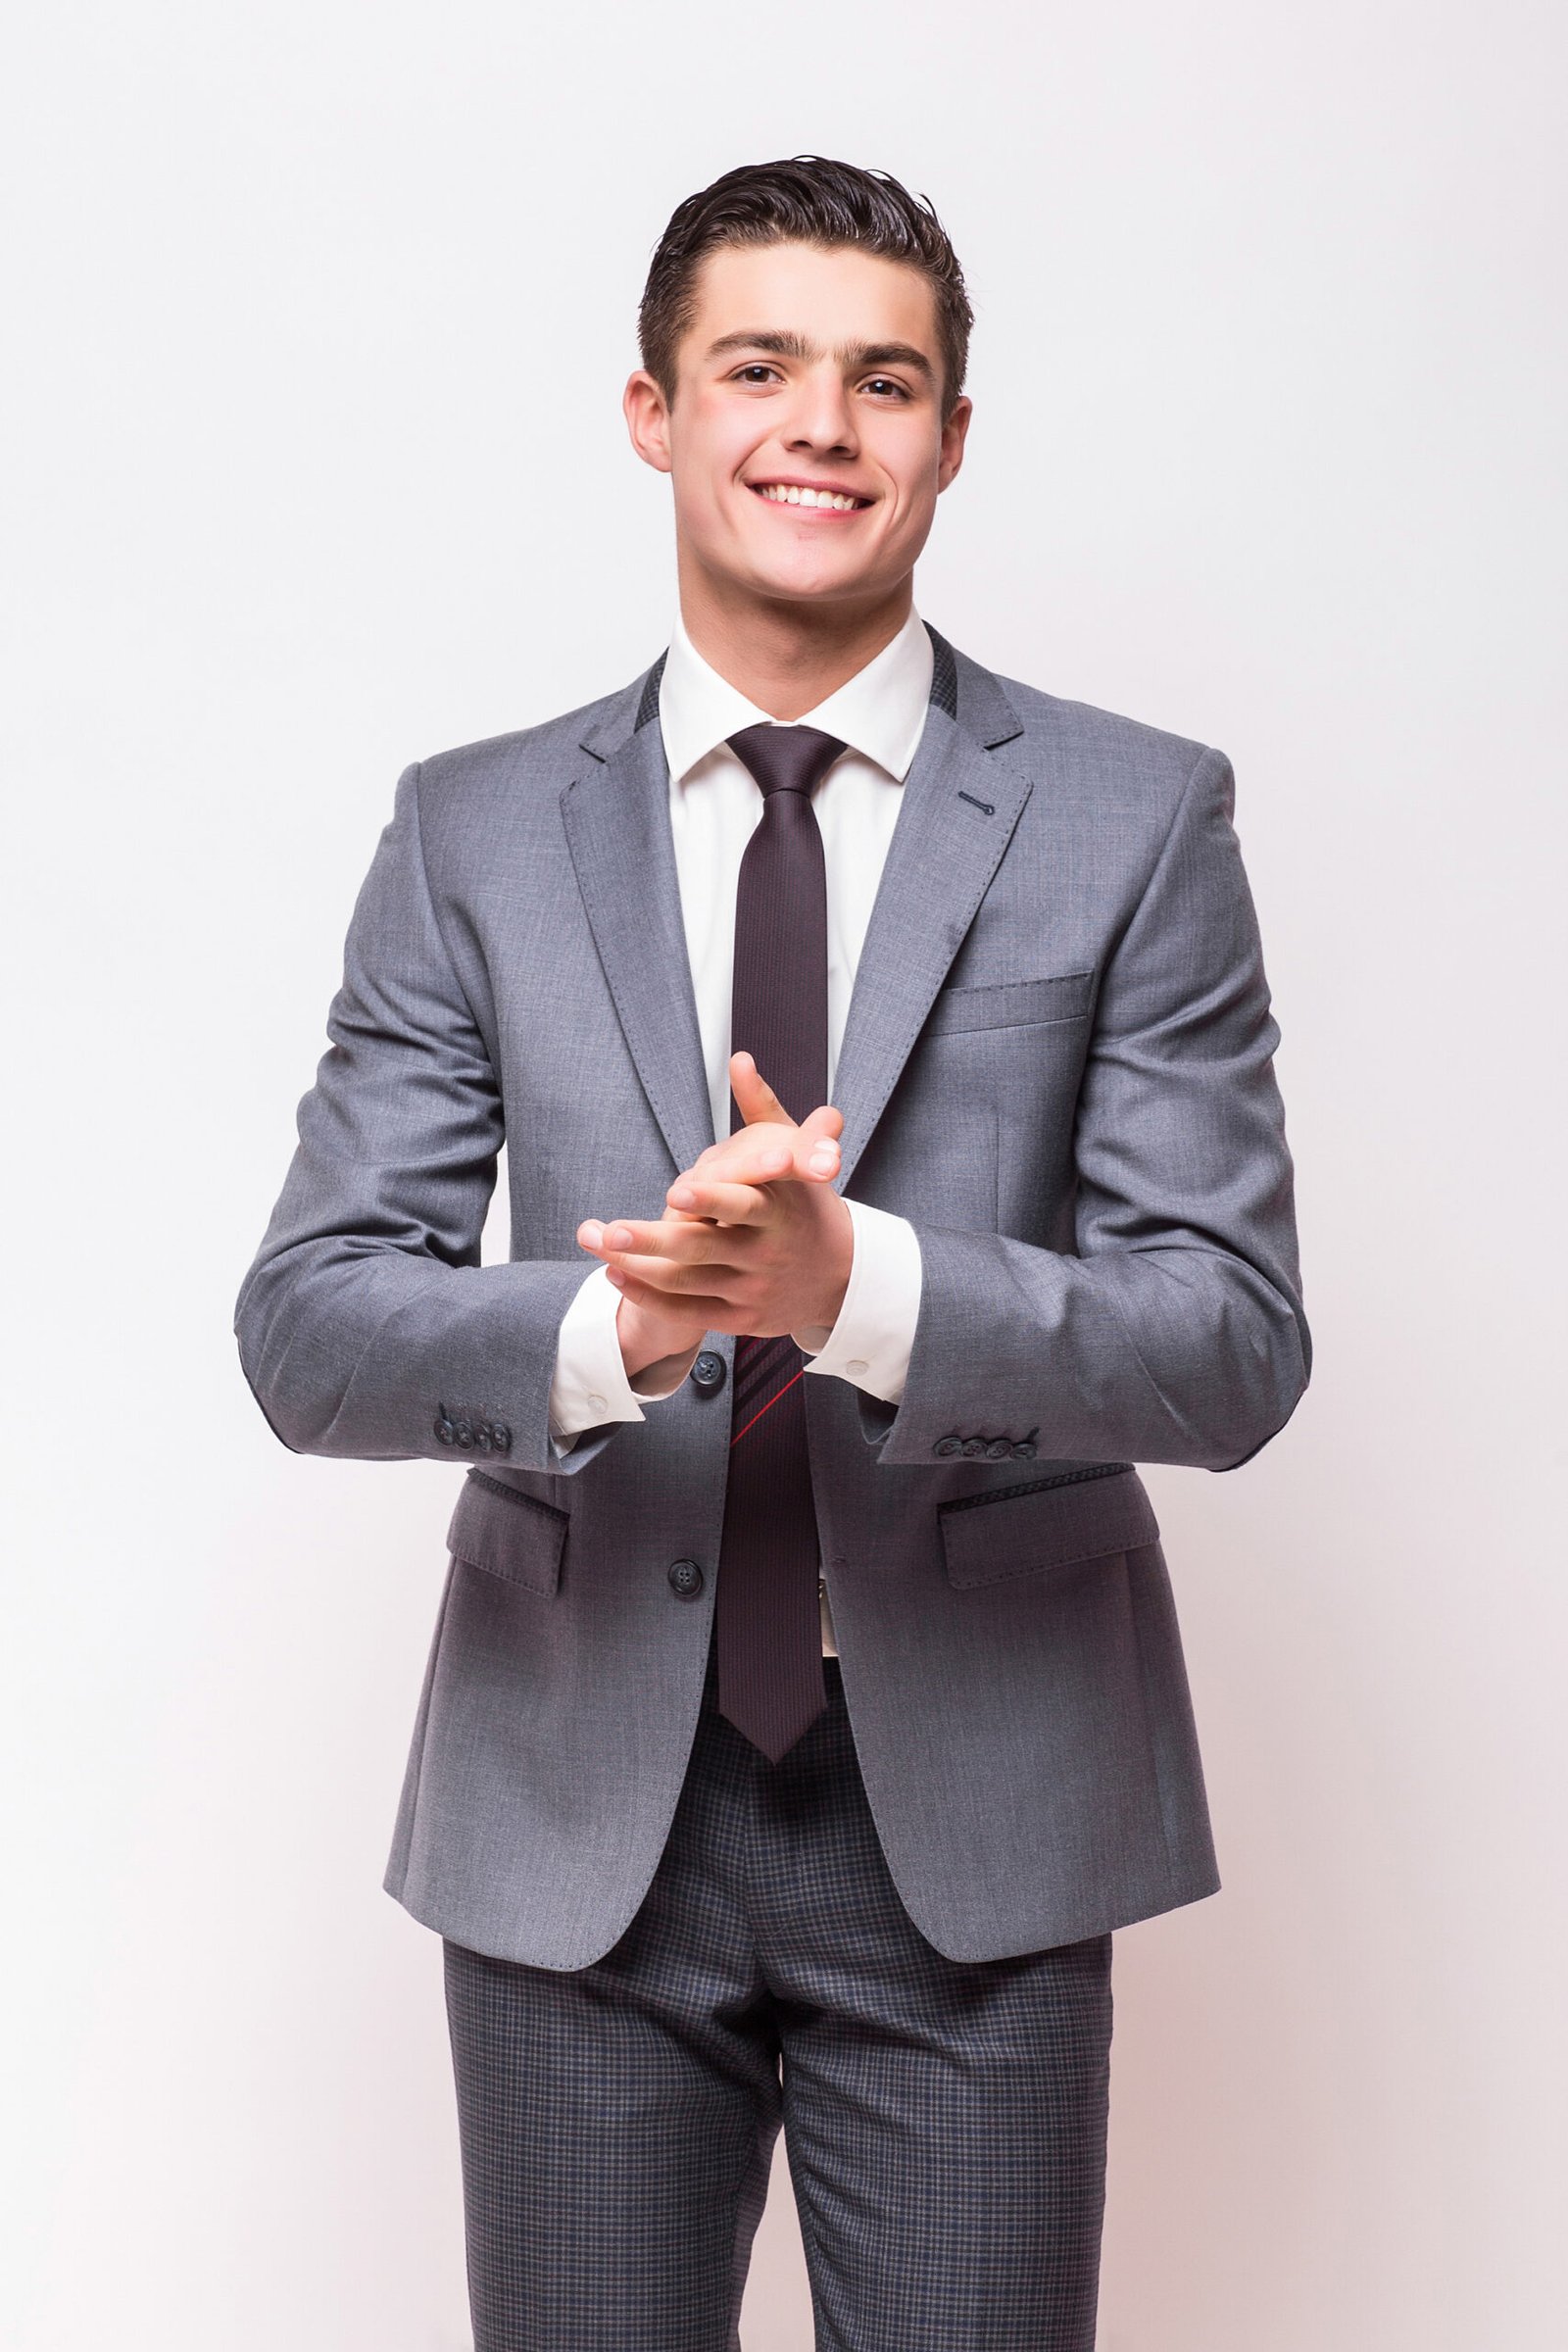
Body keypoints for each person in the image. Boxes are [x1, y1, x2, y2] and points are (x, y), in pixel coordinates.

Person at [235, 155, 1309, 2352]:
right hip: (570, 1816)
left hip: (981, 1817)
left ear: (948, 438)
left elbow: (1226, 1342)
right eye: (760, 366)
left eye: (883, 380)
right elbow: (312, 1325)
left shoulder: (1133, 818)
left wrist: (858, 1301)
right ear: (652, 408)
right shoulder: (473, 830)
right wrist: (615, 1323)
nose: (822, 422)